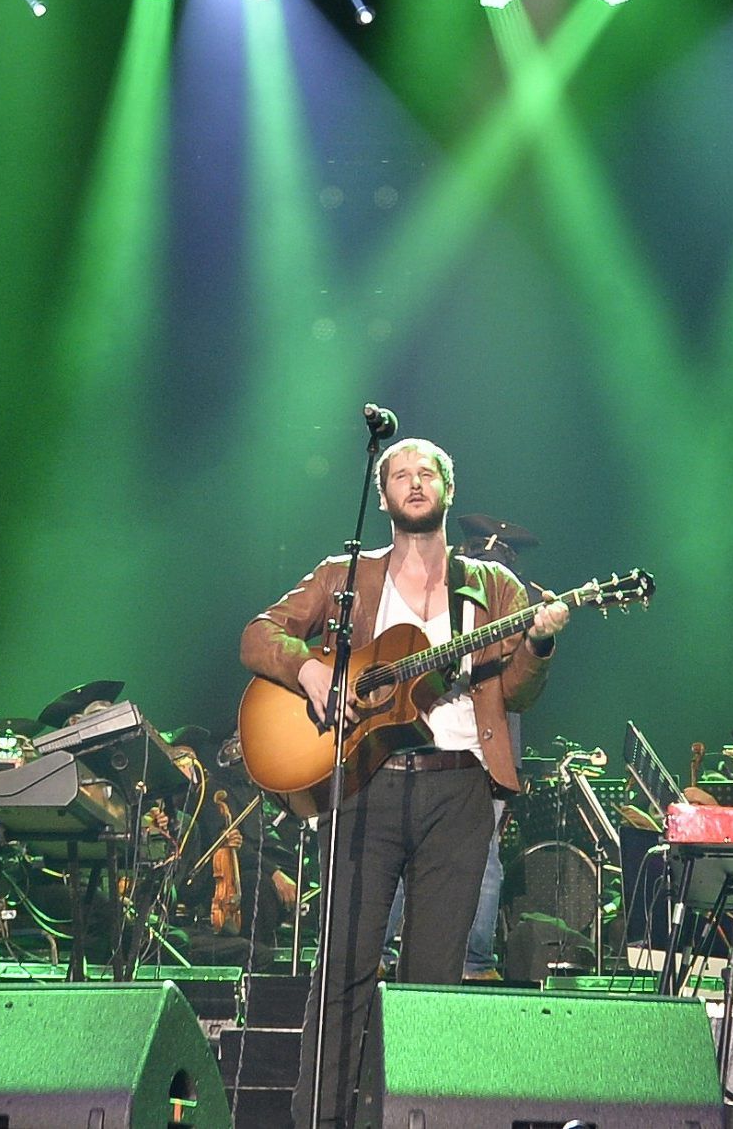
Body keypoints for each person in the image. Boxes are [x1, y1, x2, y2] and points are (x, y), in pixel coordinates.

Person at [242, 435, 568, 1129]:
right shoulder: (345, 574)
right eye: (399, 474)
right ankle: (321, 1120)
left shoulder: (493, 586)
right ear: (383, 495)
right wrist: (310, 669)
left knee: (433, 977)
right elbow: (259, 633)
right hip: (363, 782)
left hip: (460, 787)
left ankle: (413, 1117)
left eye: (427, 473)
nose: (414, 482)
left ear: (448, 490)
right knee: (344, 966)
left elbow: (517, 692)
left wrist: (538, 643)